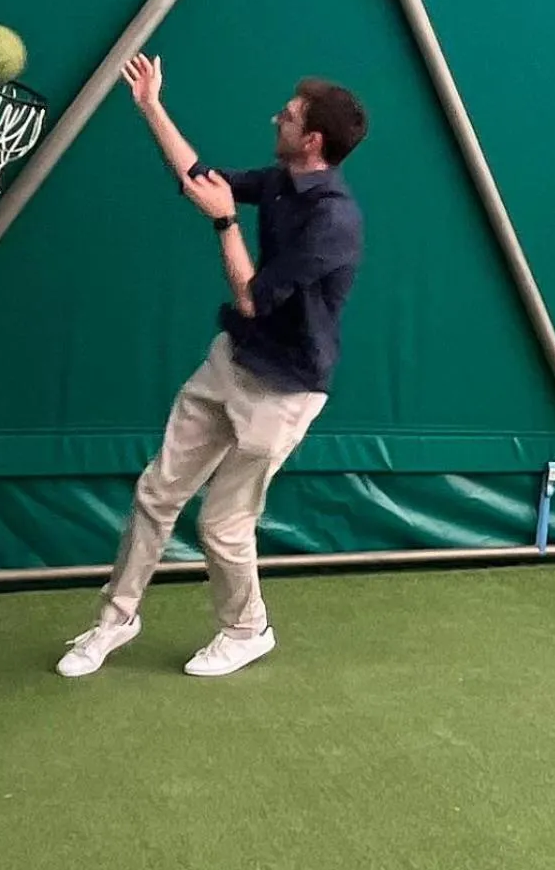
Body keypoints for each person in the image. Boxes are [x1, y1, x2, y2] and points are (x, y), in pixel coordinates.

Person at [58, 52, 367, 679]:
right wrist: (151, 106)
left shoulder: (334, 220)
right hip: (231, 362)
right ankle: (115, 620)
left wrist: (227, 221)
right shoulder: (282, 179)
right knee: (156, 492)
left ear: (312, 140)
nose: (275, 116)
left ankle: (247, 629)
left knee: (223, 526)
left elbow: (252, 296)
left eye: (289, 115)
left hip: (284, 391)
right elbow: (204, 180)